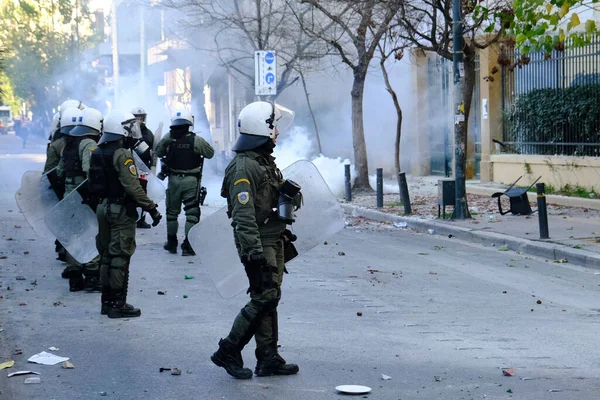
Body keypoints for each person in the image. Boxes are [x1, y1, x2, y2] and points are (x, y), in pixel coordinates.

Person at [211, 101, 300, 379]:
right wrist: (253, 254)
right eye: (273, 127)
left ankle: (268, 357)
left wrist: (282, 226)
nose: (277, 133)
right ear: (262, 129)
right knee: (264, 297)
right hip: (257, 243)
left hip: (273, 238)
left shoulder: (263, 162)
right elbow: (243, 215)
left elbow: (267, 203)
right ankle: (228, 348)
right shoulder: (243, 167)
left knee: (270, 298)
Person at [88, 110, 162, 318]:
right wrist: (151, 208)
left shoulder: (97, 151)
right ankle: (117, 304)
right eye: (129, 129)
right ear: (120, 130)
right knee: (120, 255)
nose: (132, 133)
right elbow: (133, 187)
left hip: (103, 208)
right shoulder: (121, 154)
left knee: (106, 255)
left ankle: (106, 301)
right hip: (120, 210)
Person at [155, 108, 214, 256]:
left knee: (172, 214)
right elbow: (210, 153)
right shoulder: (196, 140)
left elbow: (158, 152)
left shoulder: (169, 138)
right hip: (191, 181)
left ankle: (172, 243)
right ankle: (188, 246)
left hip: (173, 180)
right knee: (192, 214)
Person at [57, 107, 103, 292]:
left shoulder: (68, 144)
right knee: (91, 233)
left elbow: (59, 172)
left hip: (69, 194)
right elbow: (89, 172)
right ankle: (92, 275)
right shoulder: (88, 144)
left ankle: (74, 275)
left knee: (74, 235)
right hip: (84, 194)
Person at [131, 107, 155, 229]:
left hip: (143, 168)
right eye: (136, 117)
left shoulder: (148, 133)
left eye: (141, 118)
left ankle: (141, 219)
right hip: (130, 167)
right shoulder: (128, 132)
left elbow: (151, 151)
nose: (139, 120)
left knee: (143, 193)